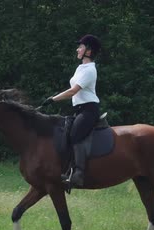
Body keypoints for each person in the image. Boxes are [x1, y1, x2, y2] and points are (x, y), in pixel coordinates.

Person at [41, 34, 101, 188]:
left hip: (89, 110)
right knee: (65, 134)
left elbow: (73, 91)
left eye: (80, 46)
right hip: (80, 109)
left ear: (89, 51)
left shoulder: (90, 70)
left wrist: (53, 99)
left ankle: (79, 173)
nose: (77, 49)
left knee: (74, 135)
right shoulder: (81, 68)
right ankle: (67, 169)